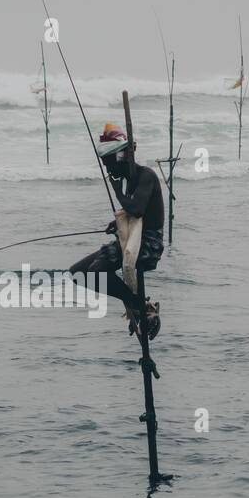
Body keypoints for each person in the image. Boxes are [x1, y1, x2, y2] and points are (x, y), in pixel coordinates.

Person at [69, 123, 164, 340]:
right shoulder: (129, 181)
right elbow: (135, 214)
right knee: (78, 272)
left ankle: (139, 306)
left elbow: (138, 209)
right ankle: (138, 304)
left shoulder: (145, 176)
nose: (108, 170)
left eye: (109, 164)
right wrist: (118, 224)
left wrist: (116, 191)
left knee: (96, 271)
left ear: (121, 157)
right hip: (131, 238)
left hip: (147, 244)